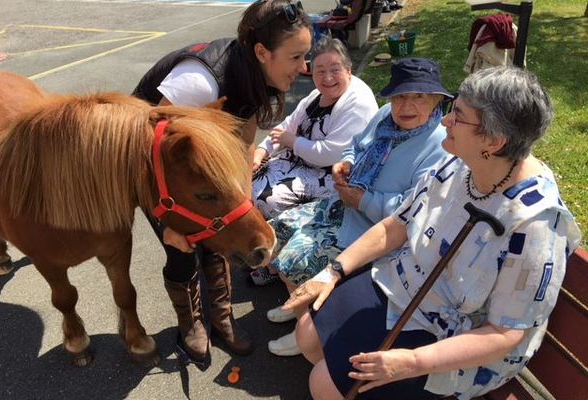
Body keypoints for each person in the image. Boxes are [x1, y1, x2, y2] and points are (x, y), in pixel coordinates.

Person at [284, 66, 581, 399]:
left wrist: (410, 362)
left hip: (456, 338)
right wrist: (332, 271)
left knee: (323, 384)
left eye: (458, 116)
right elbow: (396, 225)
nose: (444, 122)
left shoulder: (536, 224)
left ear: (494, 142)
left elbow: (505, 333)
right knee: (307, 334)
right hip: (407, 285)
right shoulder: (456, 163)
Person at [132, 0, 312, 366]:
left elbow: (244, 141)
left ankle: (223, 318)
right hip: (152, 169)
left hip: (199, 161)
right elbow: (146, 155)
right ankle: (192, 324)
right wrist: (167, 224)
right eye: (295, 57)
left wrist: (240, 203)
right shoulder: (198, 84)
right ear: (263, 52)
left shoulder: (255, 75)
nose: (304, 68)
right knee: (182, 246)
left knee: (220, 236)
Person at [262, 58, 452, 356]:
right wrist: (346, 162)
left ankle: (307, 327)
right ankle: (299, 302)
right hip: (343, 205)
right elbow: (357, 144)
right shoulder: (386, 115)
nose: (407, 106)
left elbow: (411, 212)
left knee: (298, 259)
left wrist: (364, 200)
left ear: (437, 100)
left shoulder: (439, 145)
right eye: (401, 96)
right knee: (277, 231)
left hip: (371, 230)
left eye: (419, 97)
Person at [251, 36, 378, 221]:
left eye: (335, 70)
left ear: (348, 71)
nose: (327, 78)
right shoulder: (317, 94)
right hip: (300, 163)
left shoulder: (358, 103)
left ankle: (273, 236)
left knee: (266, 199)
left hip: (331, 176)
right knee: (246, 178)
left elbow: (331, 155)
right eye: (320, 71)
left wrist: (293, 141)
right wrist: (262, 150)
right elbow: (288, 125)